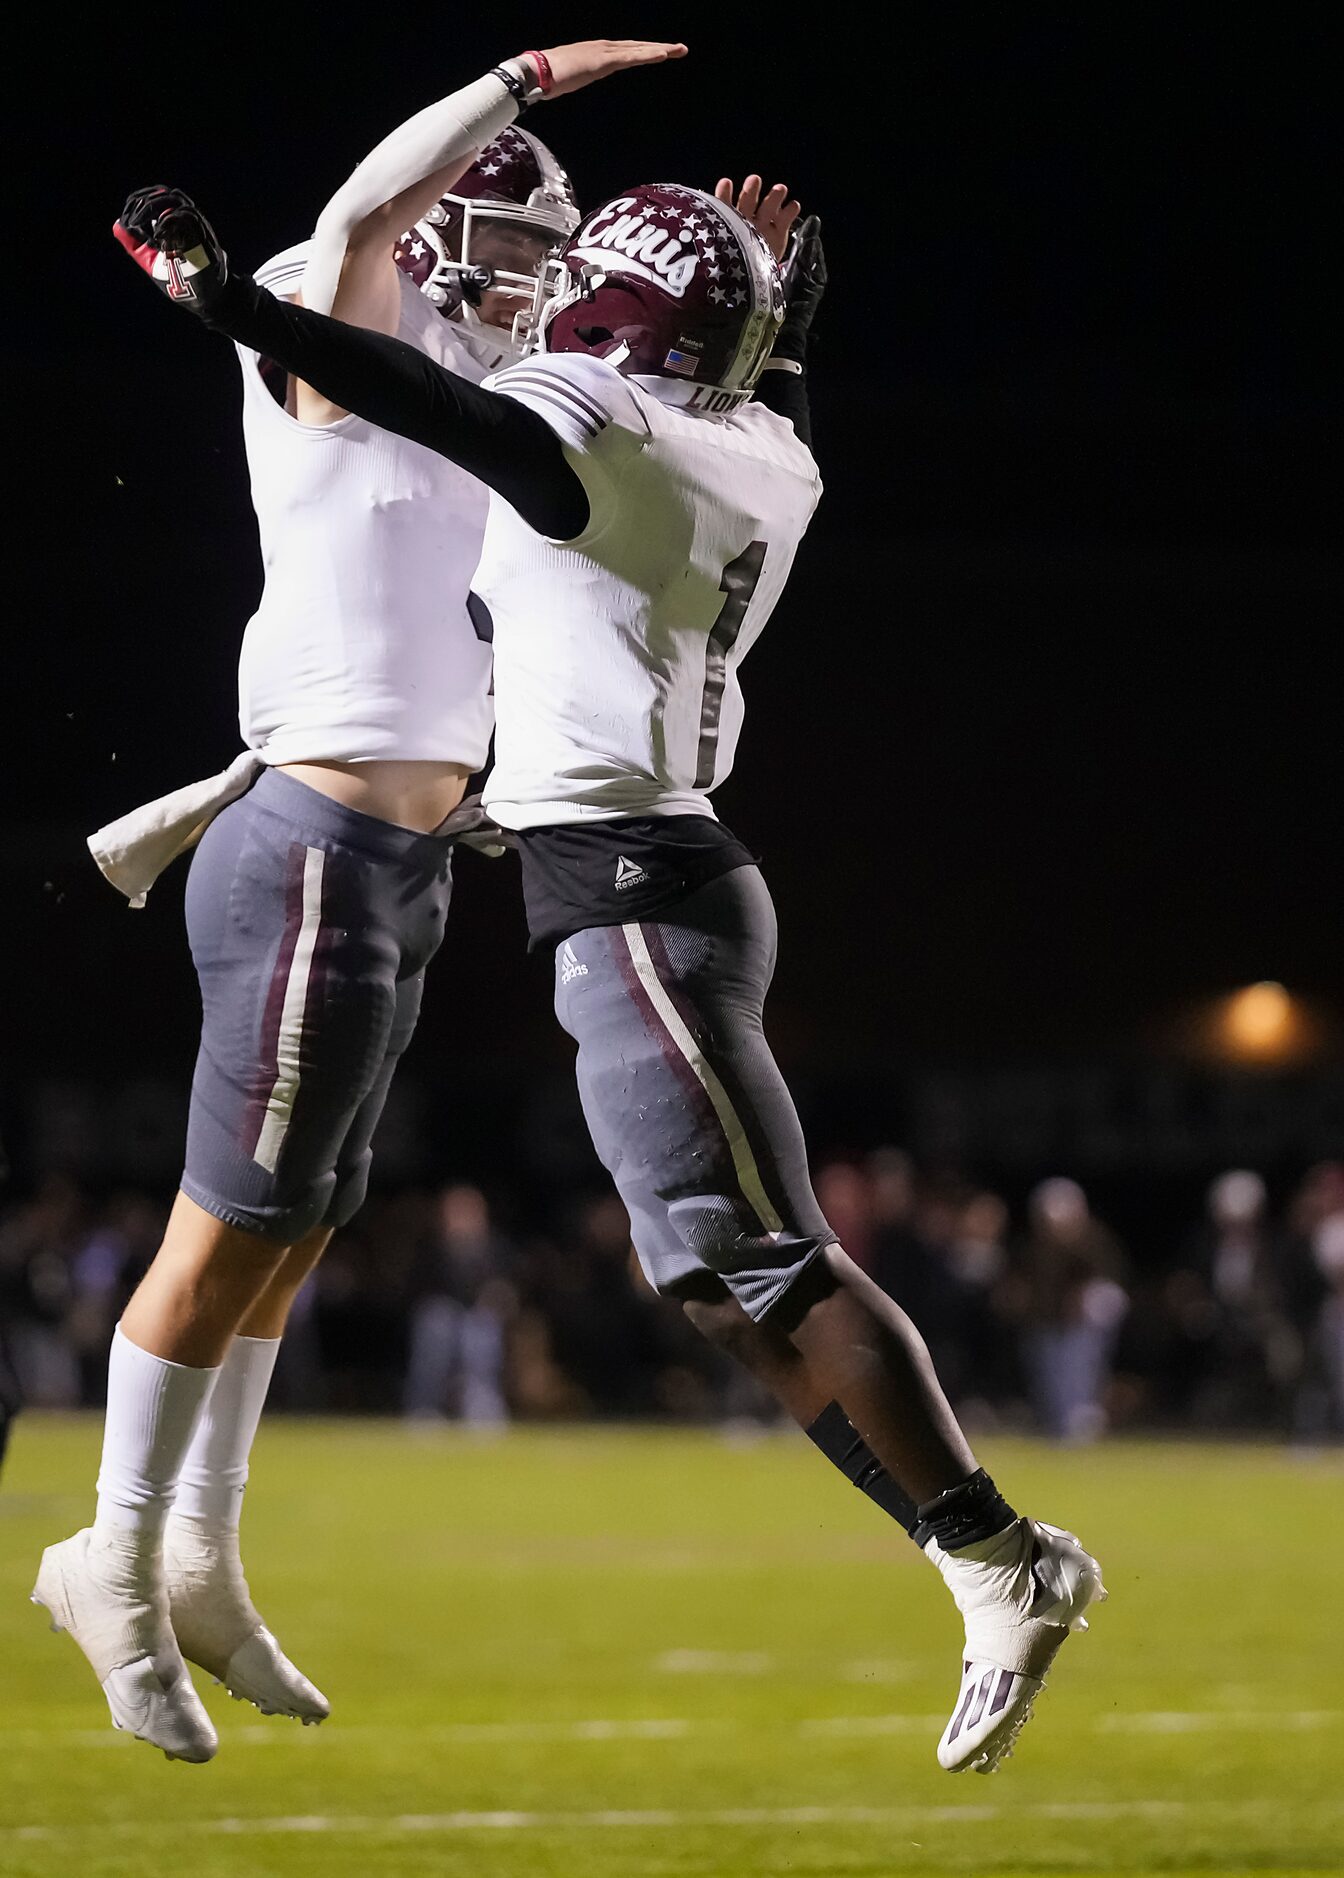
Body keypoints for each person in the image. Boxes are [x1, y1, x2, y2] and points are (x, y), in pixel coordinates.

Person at [107, 166, 1105, 1777]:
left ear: (621, 327)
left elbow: (423, 395)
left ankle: (997, 1557)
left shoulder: (605, 439)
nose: (547, 295)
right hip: (641, 874)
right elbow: (743, 370)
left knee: (765, 1266)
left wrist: (236, 310)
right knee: (710, 1284)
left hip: (638, 885)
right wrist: (777, 305)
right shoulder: (769, 443)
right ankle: (981, 1553)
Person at [33, 40, 686, 1766]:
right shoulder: (324, 361)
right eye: (506, 246)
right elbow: (355, 212)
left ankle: (197, 1544)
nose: (528, 287)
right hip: (310, 839)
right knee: (229, 1216)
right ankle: (105, 1547)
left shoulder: (478, 420)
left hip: (402, 860)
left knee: (307, 1213)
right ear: (438, 232)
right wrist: (522, 78)